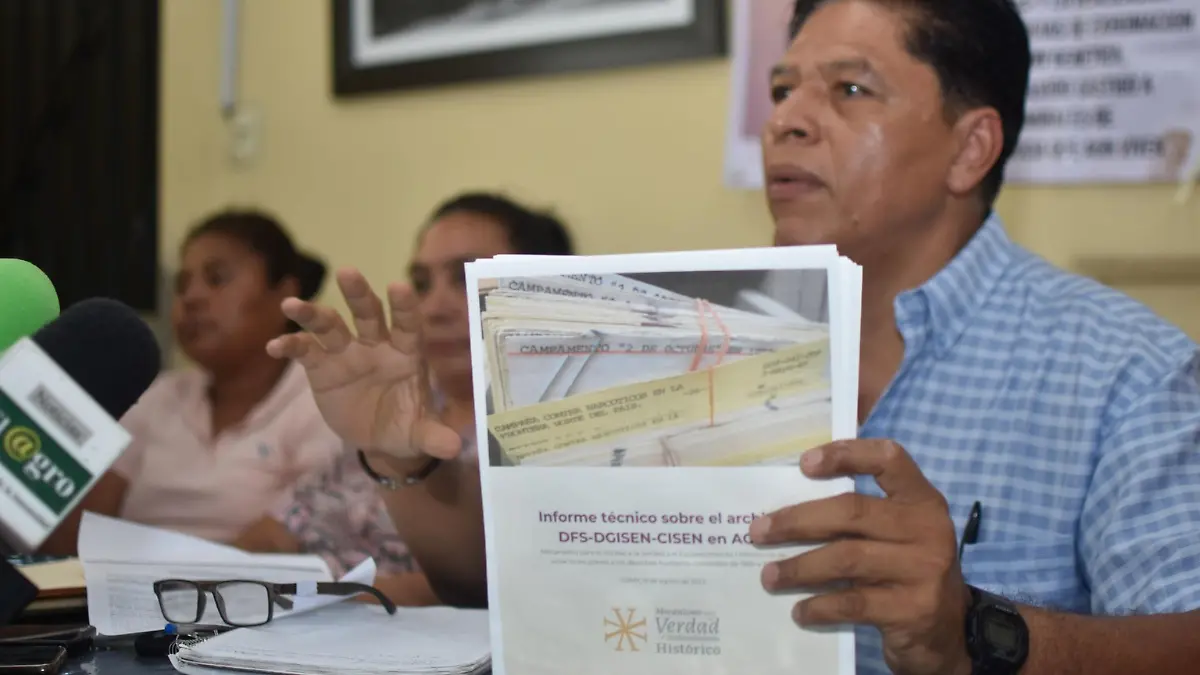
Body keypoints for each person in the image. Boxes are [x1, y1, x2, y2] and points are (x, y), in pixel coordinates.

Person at [268, 2, 1200, 673]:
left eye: (849, 89)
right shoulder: (674, 328)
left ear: (971, 148)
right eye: (782, 88)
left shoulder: (1124, 370)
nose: (785, 119)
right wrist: (404, 460)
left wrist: (975, 629)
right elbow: (501, 586)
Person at [233, 192, 574, 605]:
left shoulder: (560, 432)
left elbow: (491, 587)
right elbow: (278, 530)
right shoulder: (391, 405)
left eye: (465, 278)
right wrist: (205, 583)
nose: (433, 308)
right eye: (422, 284)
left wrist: (288, 602)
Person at [40, 210, 342, 554]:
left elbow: (291, 539)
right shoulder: (155, 397)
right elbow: (76, 536)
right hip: (126, 582)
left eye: (217, 279)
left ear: (286, 296)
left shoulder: (323, 401)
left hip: (245, 586)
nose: (192, 297)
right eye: (182, 285)